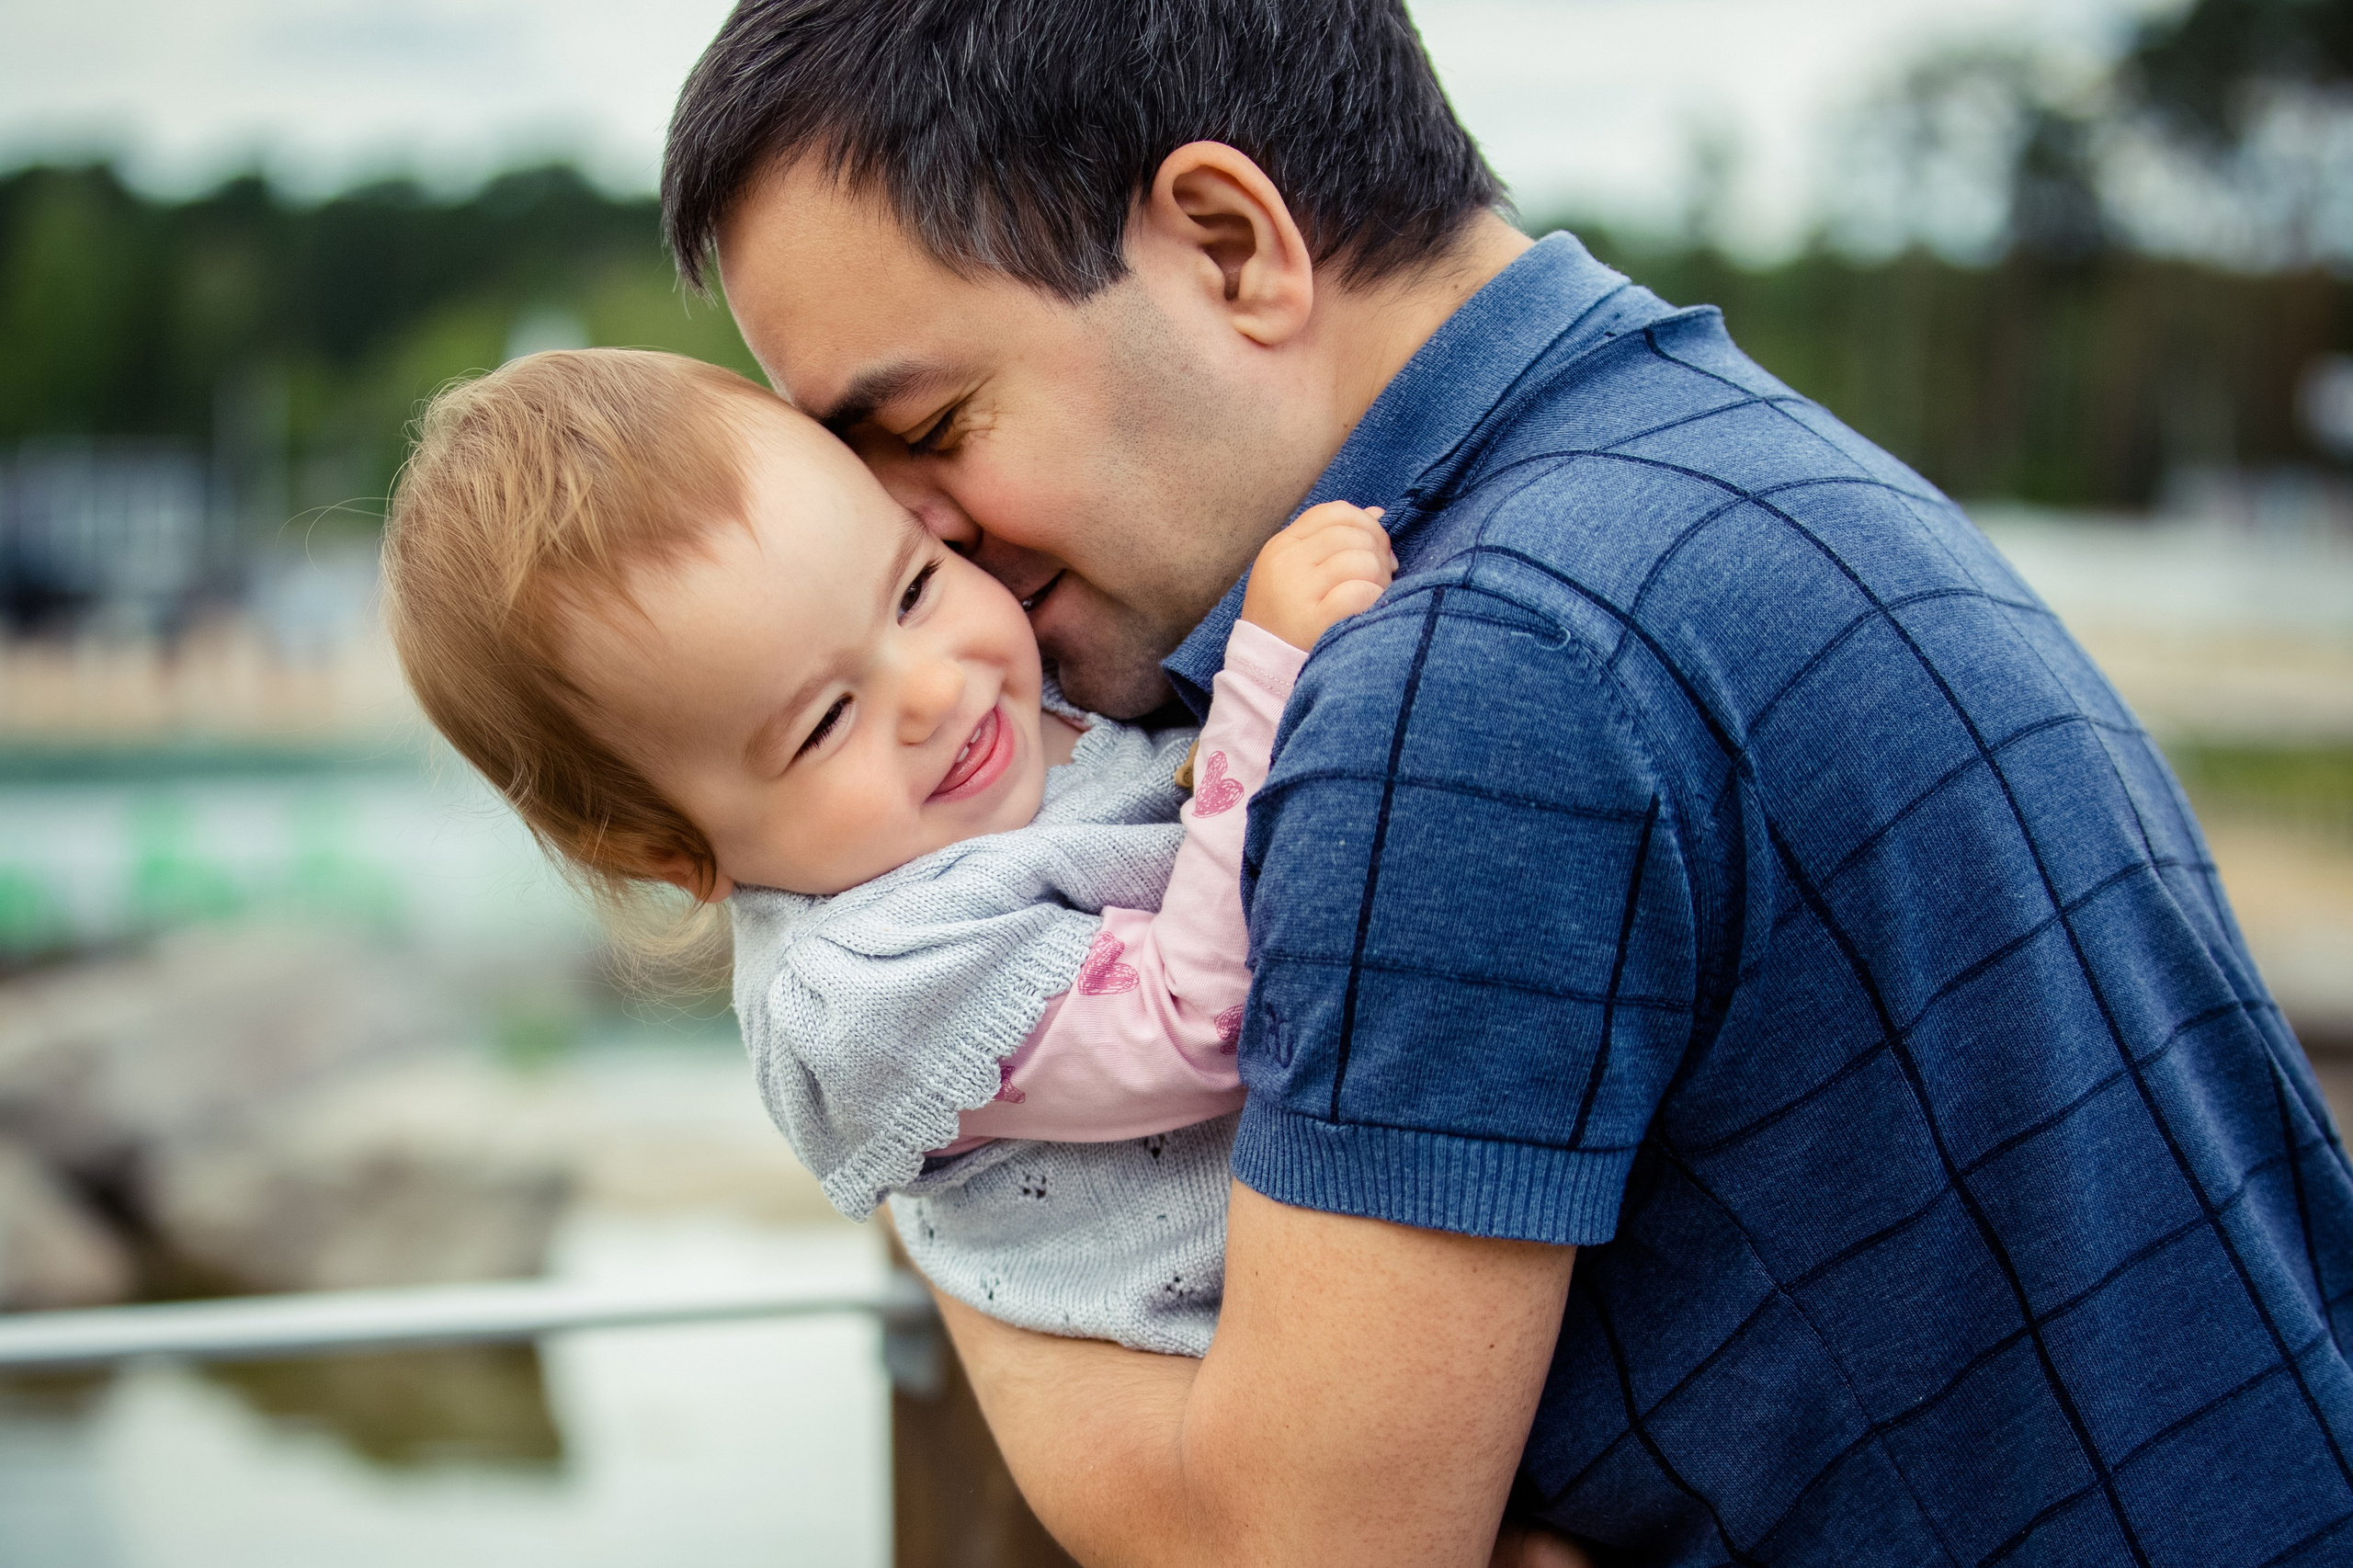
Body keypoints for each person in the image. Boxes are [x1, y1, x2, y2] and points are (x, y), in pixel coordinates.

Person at [663, 2, 2353, 1562]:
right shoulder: (1718, 457)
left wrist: (915, 1089)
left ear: (1234, 246)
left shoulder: (1468, 681)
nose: (914, 531)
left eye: (932, 426)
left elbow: (1294, 1555)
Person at [379, 347, 1398, 1359]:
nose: (931, 688)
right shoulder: (871, 982)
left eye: (912, 588)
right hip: (1278, 1359)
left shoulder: (1014, 703)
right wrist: (1267, 674)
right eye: (825, 721)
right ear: (666, 846)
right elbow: (1200, 1018)